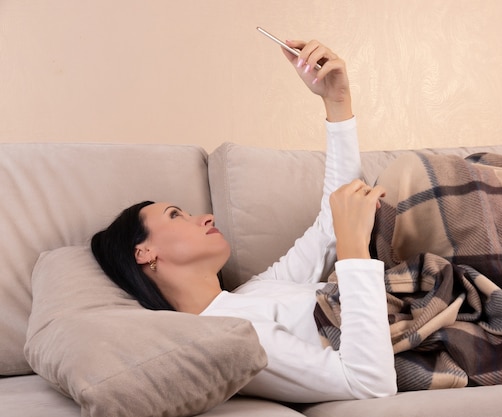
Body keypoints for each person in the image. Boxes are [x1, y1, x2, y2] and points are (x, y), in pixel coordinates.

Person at [91, 38, 397, 403]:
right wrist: (353, 251)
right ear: (144, 252)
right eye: (177, 215)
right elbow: (368, 383)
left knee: (403, 181)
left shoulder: (252, 293)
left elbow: (333, 225)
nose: (205, 217)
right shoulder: (226, 335)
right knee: (408, 179)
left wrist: (337, 101)